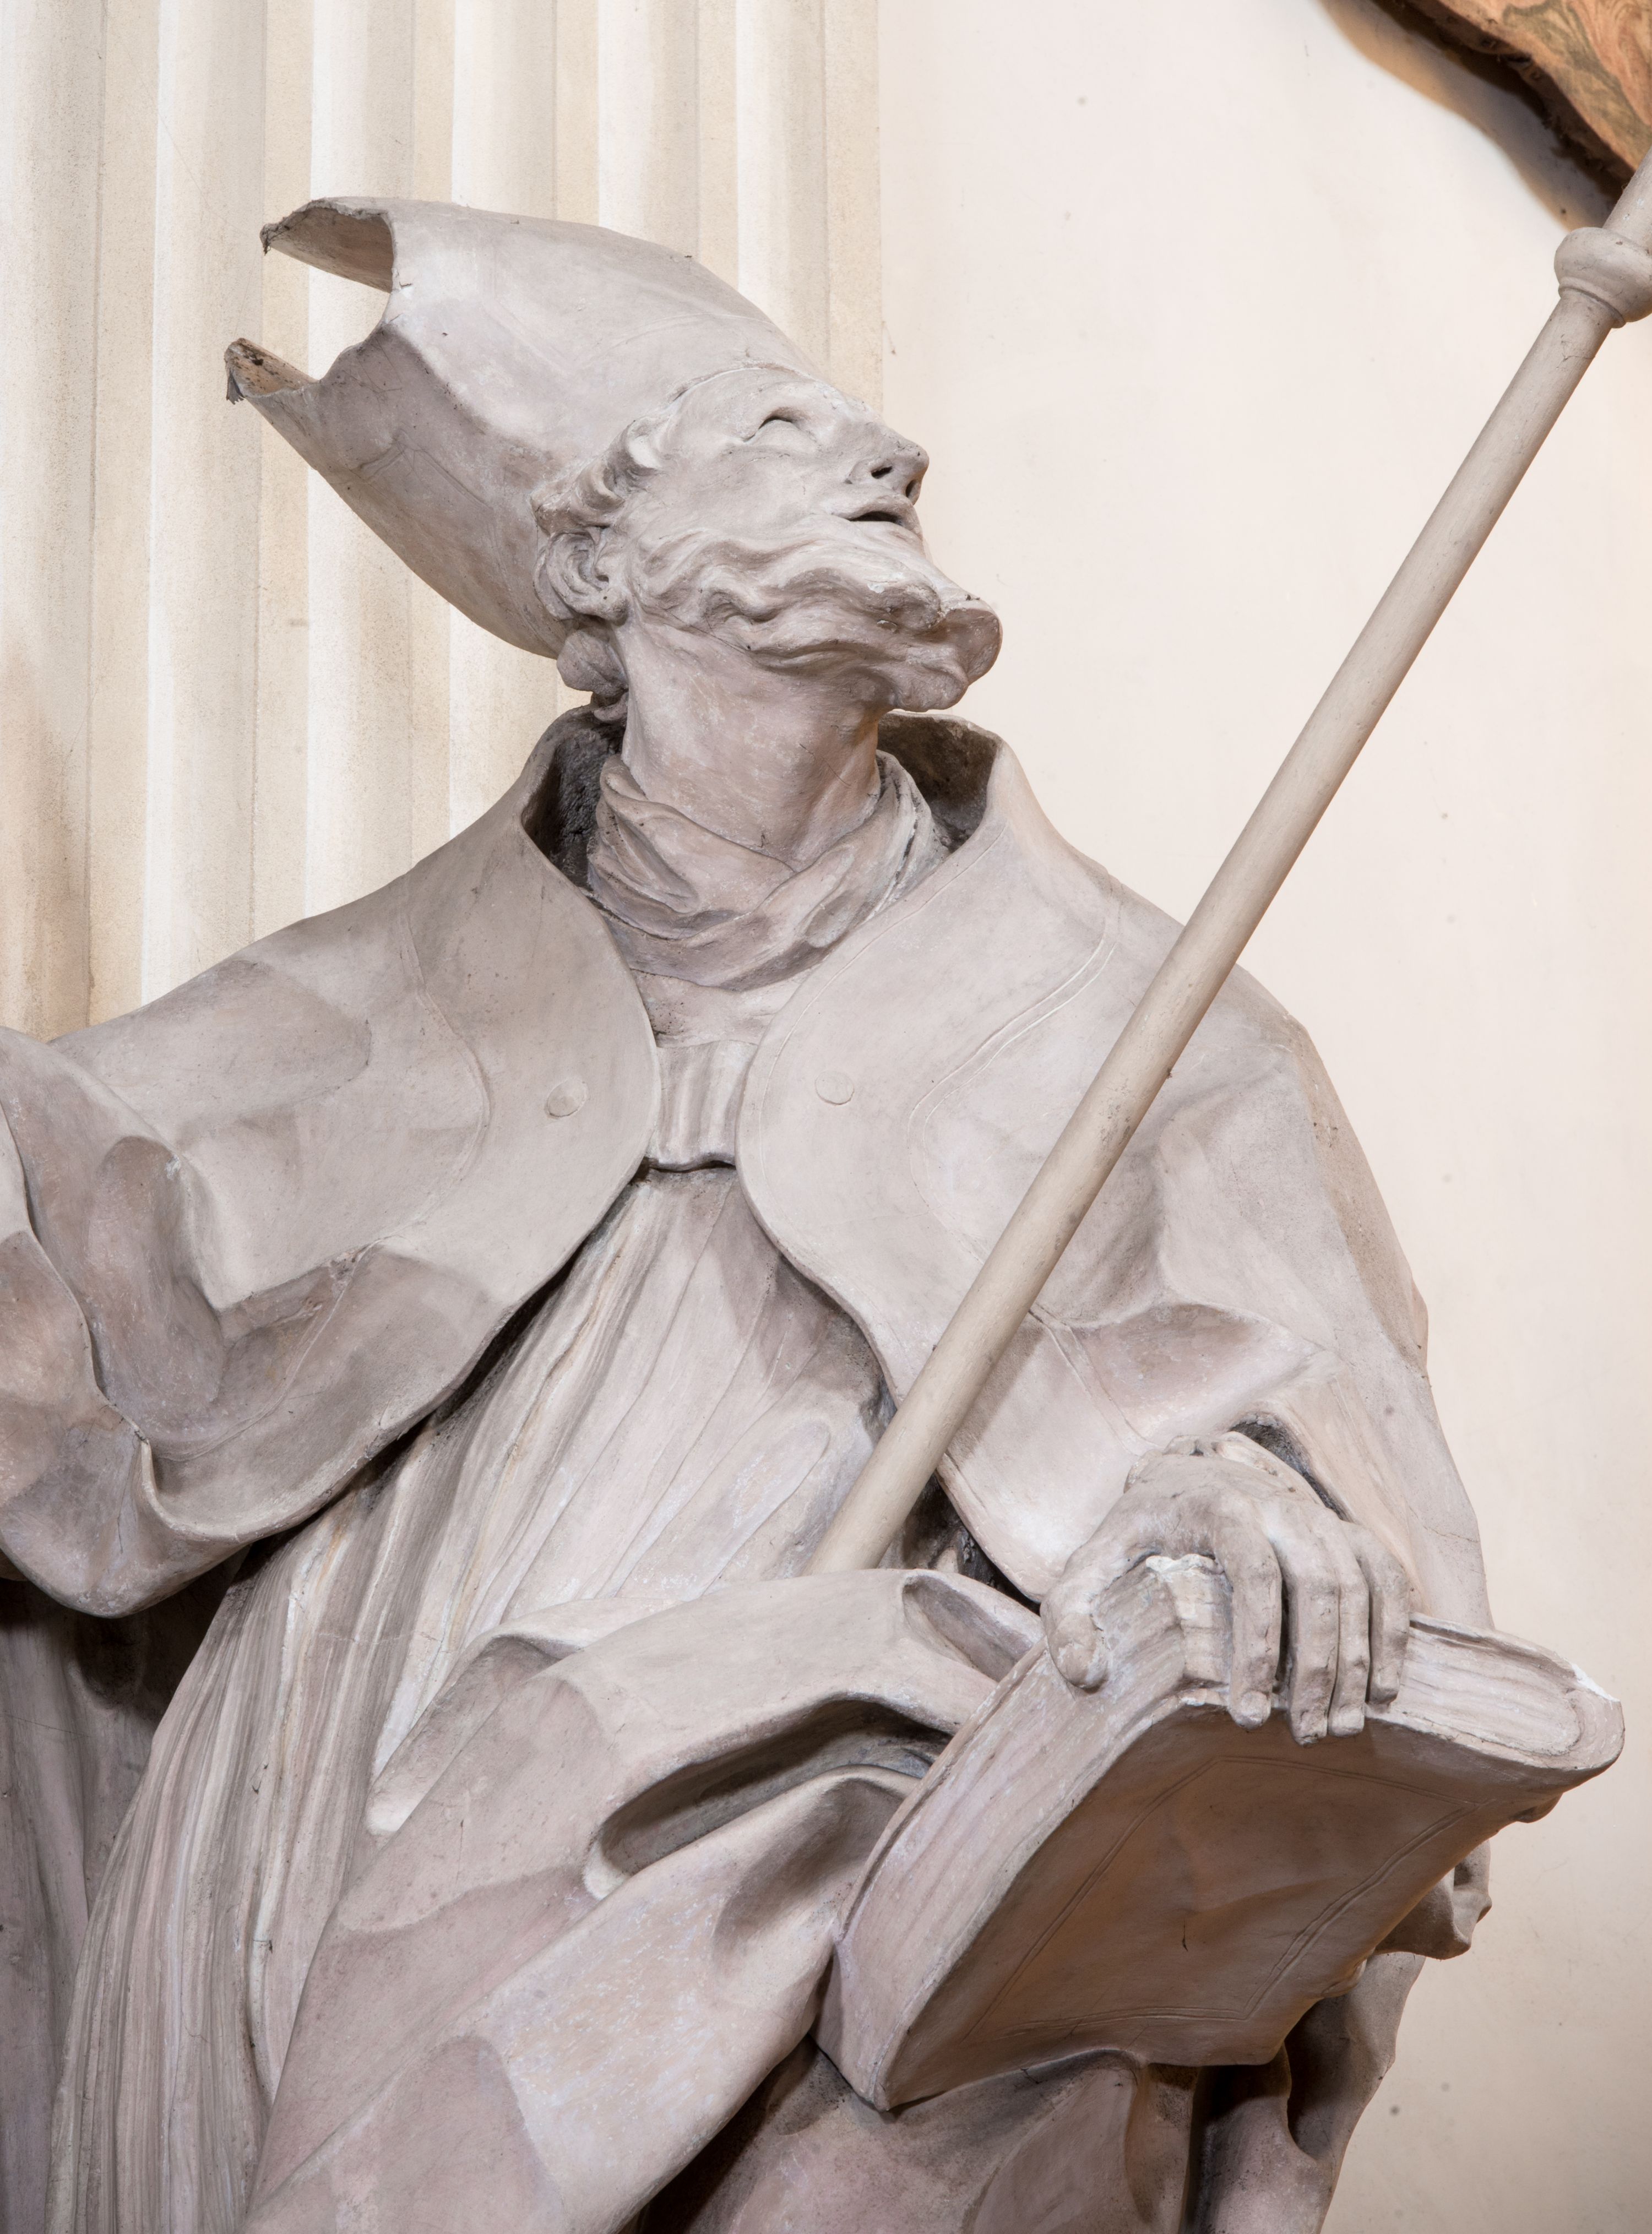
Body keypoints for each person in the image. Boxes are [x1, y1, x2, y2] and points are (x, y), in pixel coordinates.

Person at [0, 200, 1492, 2234]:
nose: (894, 450)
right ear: (599, 569)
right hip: (296, 1861)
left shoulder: (1153, 1041)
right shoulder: (350, 1013)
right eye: (787, 429)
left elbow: (1351, 1571)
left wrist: (1235, 1513)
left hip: (845, 1993)